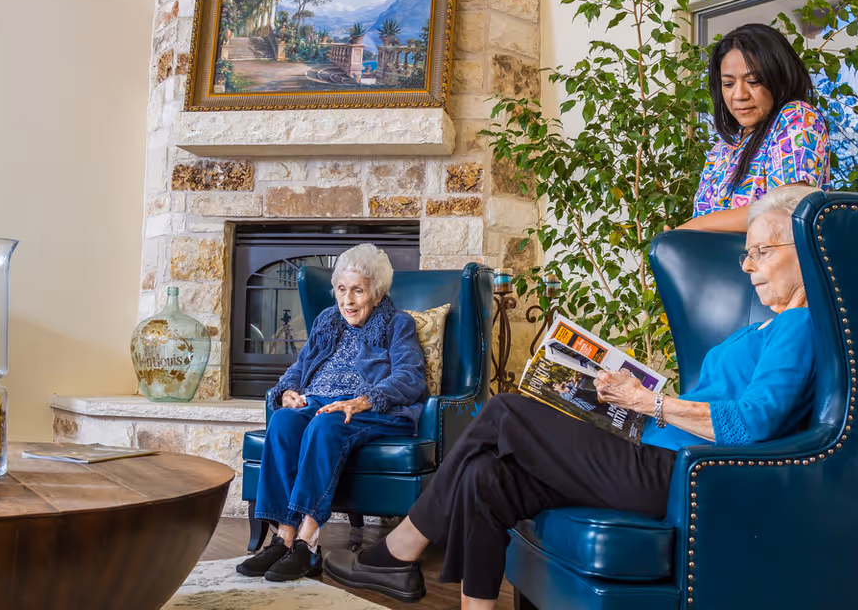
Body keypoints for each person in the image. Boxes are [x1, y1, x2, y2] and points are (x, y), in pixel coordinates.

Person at [323, 185, 818, 608]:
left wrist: (649, 403)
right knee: (484, 475)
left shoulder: (799, 325)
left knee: (505, 409)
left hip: (674, 475)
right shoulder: (764, 328)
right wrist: (627, 394)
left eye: (762, 251)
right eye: (746, 252)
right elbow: (712, 404)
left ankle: (404, 545)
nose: (748, 264)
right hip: (653, 449)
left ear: (806, 250)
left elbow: (754, 423)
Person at [236, 243, 427, 582]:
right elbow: (301, 365)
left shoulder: (398, 324)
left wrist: (363, 399)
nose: (348, 300)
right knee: (282, 420)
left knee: (325, 425)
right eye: (342, 290)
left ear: (376, 292)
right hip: (316, 403)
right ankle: (284, 538)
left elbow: (410, 377)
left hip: (367, 410)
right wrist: (287, 392)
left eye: (358, 290)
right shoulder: (327, 320)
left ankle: (309, 545)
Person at [676, 23, 831, 233]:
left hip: (764, 264)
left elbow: (788, 209)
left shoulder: (797, 116)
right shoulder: (722, 149)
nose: (739, 95)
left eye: (753, 81)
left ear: (781, 80)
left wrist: (693, 228)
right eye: (728, 84)